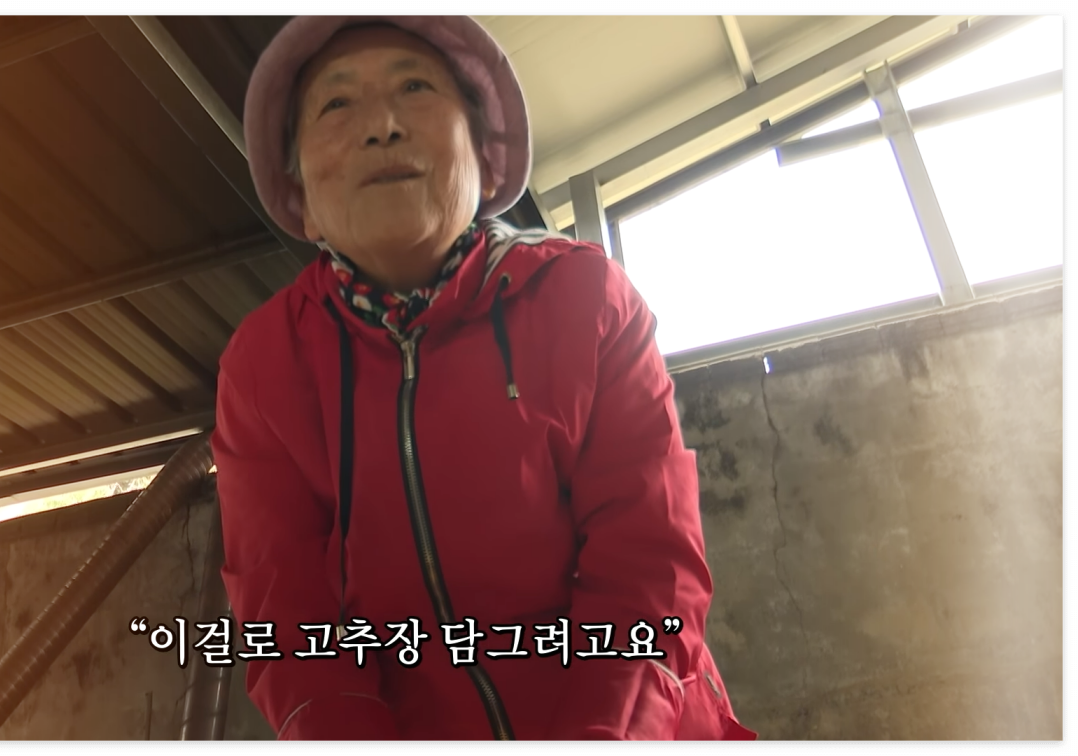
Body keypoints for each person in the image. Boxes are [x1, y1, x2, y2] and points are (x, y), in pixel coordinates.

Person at [211, 15, 755, 741]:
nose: (382, 126)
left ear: (487, 161)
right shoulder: (262, 367)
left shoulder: (585, 299)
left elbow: (649, 571)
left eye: (414, 87)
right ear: (300, 199)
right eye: (336, 103)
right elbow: (290, 625)